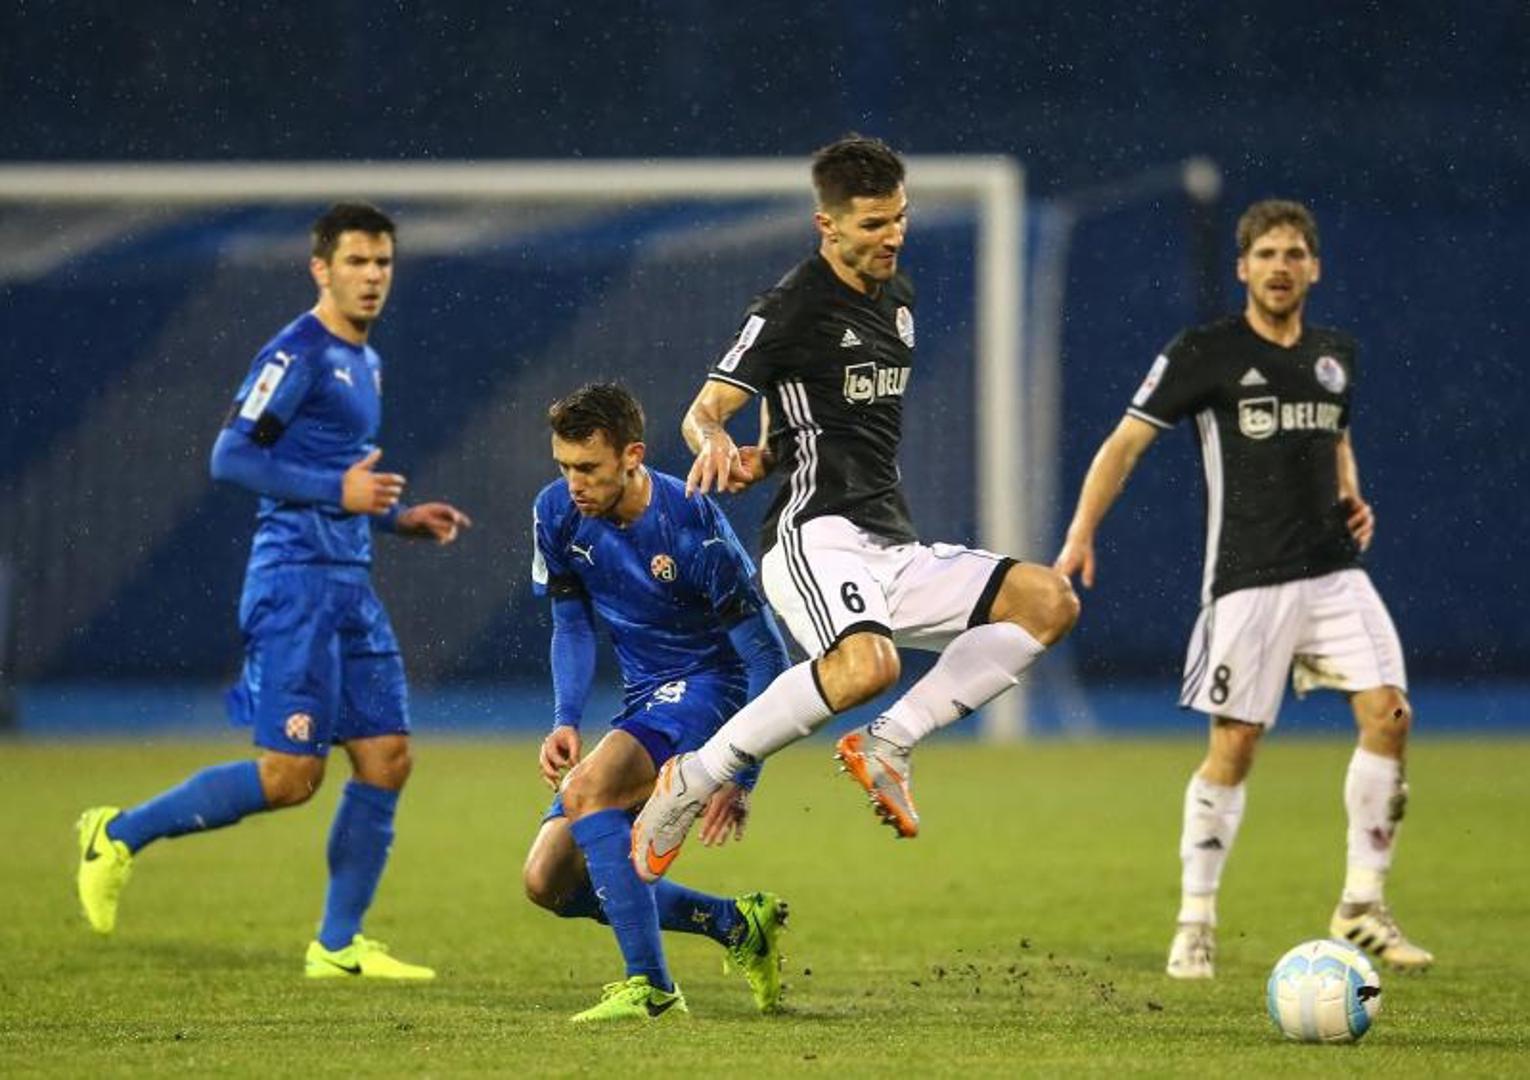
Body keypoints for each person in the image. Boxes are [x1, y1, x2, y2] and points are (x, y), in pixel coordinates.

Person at [630, 134, 1079, 882]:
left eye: (899, 217)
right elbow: (704, 411)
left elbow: (808, 417)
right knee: (868, 665)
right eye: (873, 224)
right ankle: (694, 777)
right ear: (827, 226)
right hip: (814, 537)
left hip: (891, 543)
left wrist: (765, 453)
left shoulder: (898, 299)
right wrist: (715, 441)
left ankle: (890, 740)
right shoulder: (790, 306)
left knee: (1047, 601)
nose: (892, 235)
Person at [75, 203, 471, 980]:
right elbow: (230, 457)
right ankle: (116, 834)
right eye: (356, 261)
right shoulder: (297, 353)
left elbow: (339, 478)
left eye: (383, 262)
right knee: (292, 778)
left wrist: (394, 518)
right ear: (320, 268)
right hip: (294, 583)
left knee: (388, 757)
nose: (372, 276)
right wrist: (338, 492)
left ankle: (337, 945)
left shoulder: (366, 361)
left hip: (349, 580)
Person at [1053, 199, 1432, 978]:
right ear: (1242, 268)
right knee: (1235, 745)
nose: (1279, 267)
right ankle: (1196, 918)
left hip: (1334, 573)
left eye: (1293, 254)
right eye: (1265, 255)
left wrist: (1351, 490)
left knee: (1391, 714)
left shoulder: (1334, 355)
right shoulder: (1206, 352)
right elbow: (1124, 444)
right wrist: (1081, 533)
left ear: (1314, 268)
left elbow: (1337, 436)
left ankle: (1362, 902)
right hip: (1249, 579)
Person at [523, 382, 792, 1023]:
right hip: (646, 699)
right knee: (548, 881)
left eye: (588, 468)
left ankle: (651, 987)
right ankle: (734, 923)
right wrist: (565, 719)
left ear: (632, 456)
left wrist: (740, 773)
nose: (574, 483)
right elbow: (571, 623)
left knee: (589, 792)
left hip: (714, 688)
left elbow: (768, 660)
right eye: (564, 467)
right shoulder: (555, 512)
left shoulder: (694, 524)